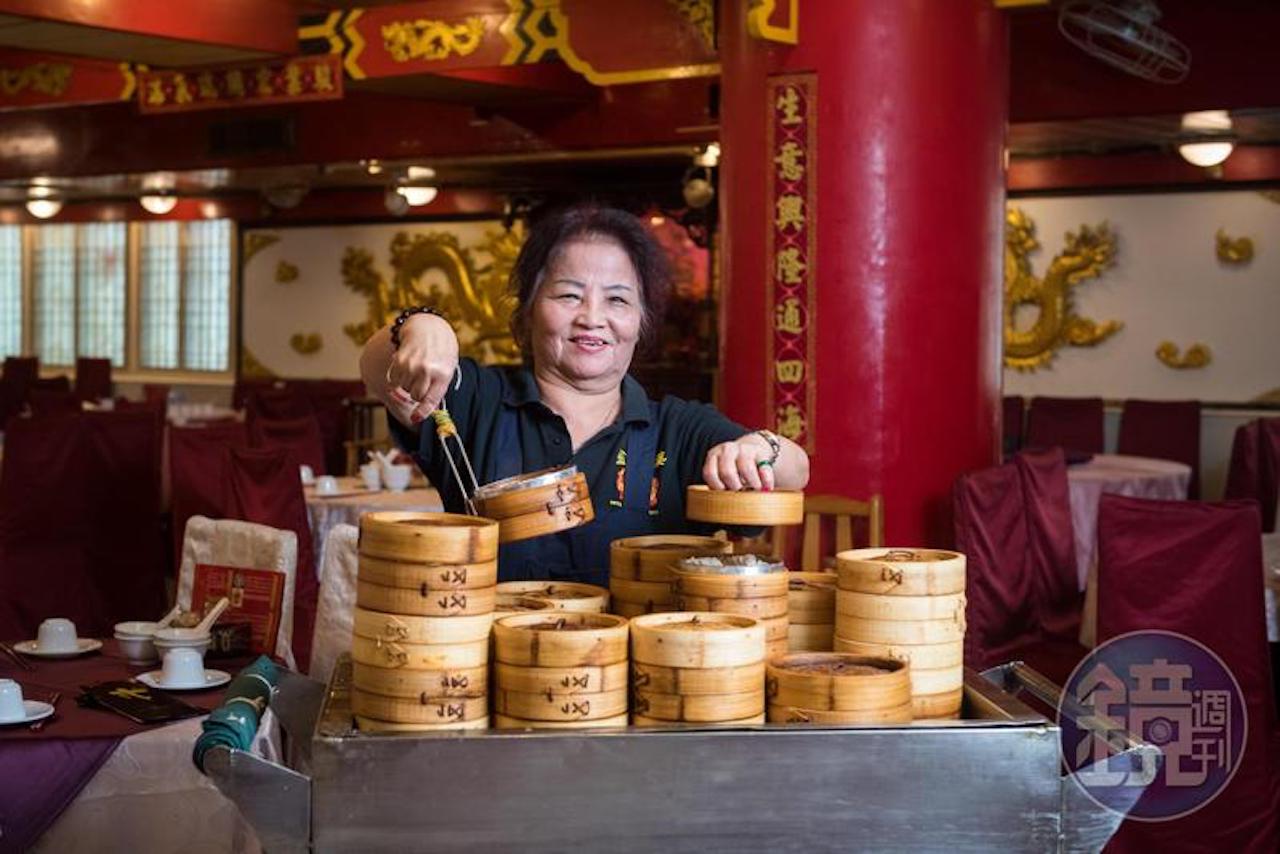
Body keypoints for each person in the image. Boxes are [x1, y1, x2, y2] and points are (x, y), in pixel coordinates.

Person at [360, 204, 809, 586]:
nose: (592, 317)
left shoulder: (677, 429)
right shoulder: (481, 400)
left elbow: (795, 469)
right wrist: (421, 326)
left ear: (641, 322)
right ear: (529, 310)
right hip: (486, 655)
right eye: (569, 295)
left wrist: (761, 448)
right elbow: (379, 370)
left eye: (617, 300)